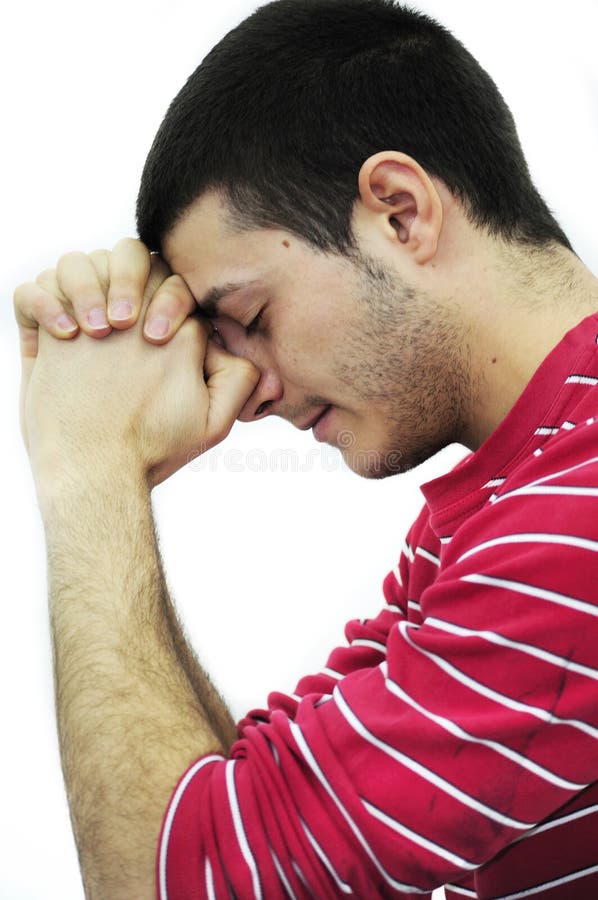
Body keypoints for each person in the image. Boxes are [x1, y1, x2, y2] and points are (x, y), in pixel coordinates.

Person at [13, 0, 598, 897]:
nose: (245, 393)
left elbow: (175, 884)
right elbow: (248, 813)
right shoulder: (502, 515)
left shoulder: (574, 520)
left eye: (248, 318)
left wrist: (88, 467)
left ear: (400, 213)